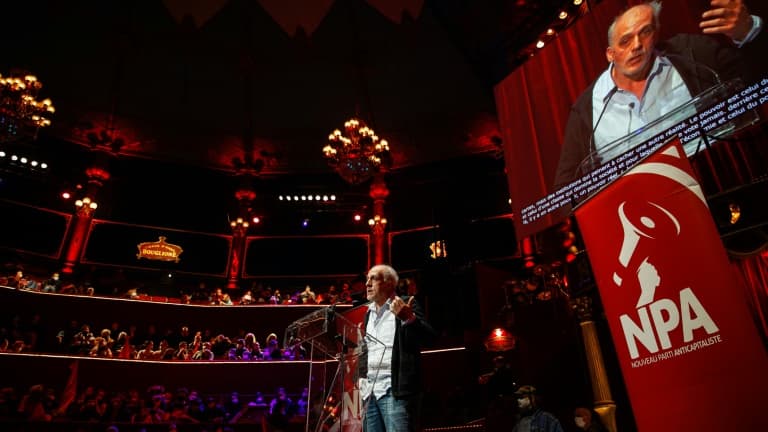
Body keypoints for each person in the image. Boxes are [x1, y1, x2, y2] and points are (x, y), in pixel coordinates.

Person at [553, 0, 765, 188]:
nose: (636, 46)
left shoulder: (693, 54)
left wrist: (749, 32)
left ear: (656, 34)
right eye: (625, 41)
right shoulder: (587, 107)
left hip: (719, 186)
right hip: (641, 215)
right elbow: (566, 185)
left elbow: (757, 85)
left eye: (645, 32)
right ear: (610, 54)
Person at [359, 264, 436, 432]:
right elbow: (367, 350)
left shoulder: (406, 304)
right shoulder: (368, 314)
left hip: (395, 393)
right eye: (367, 279)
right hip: (370, 394)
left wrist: (409, 319)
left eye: (373, 279)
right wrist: (361, 377)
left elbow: (429, 338)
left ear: (388, 283)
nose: (367, 284)